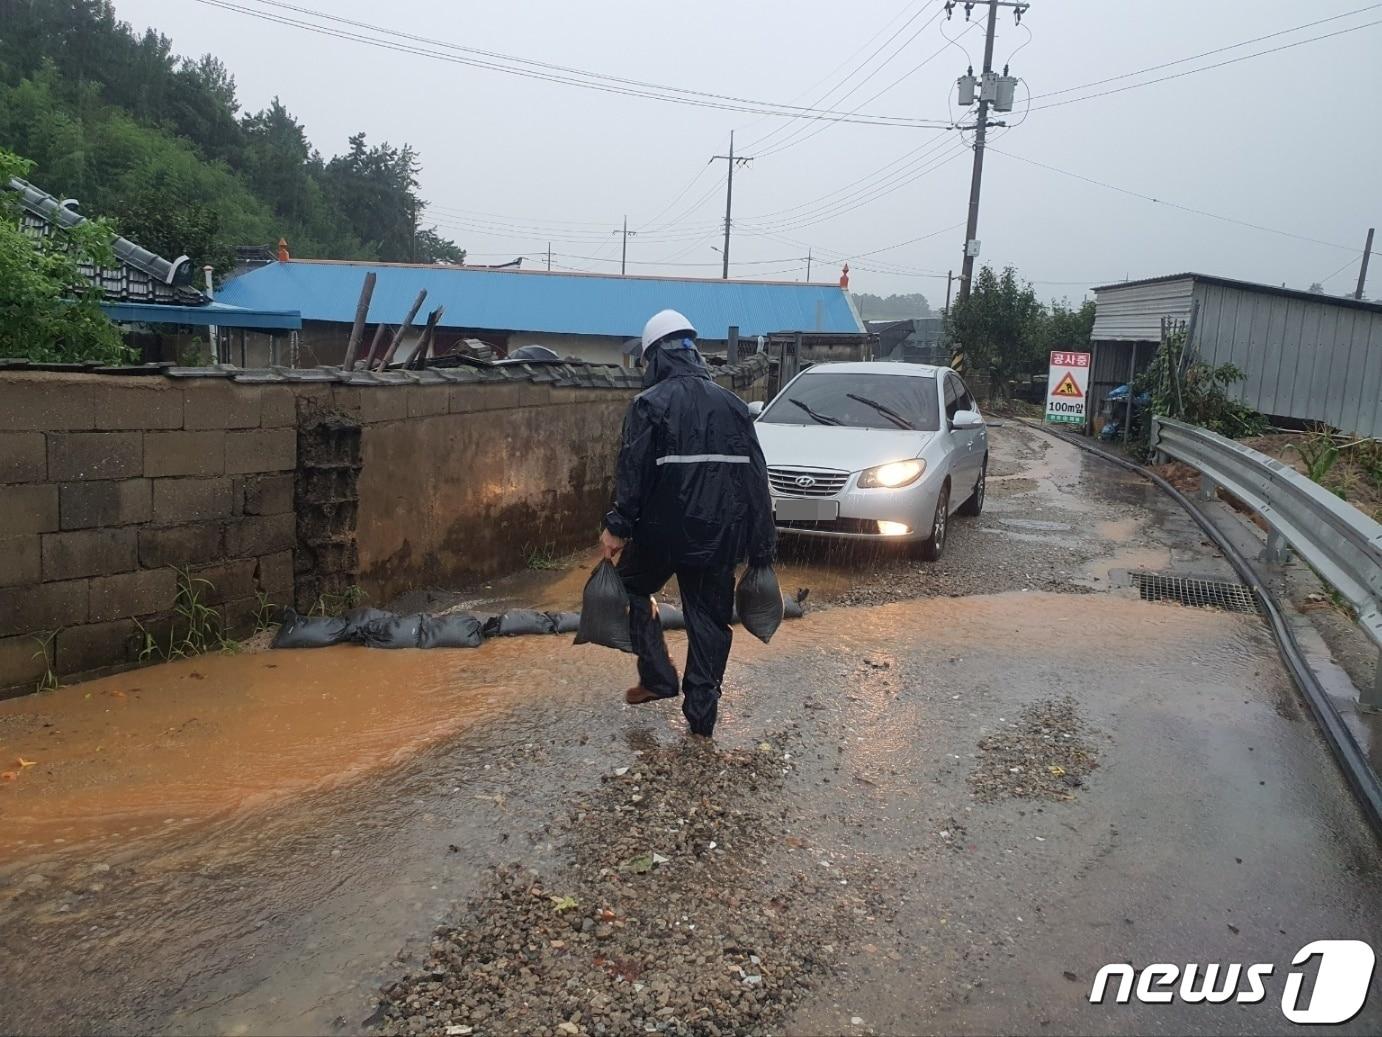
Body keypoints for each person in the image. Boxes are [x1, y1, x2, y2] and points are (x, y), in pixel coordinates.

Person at [599, 309, 776, 737]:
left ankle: (658, 675)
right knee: (710, 622)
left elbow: (633, 474)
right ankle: (701, 721)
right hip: (719, 537)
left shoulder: (648, 405)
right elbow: (756, 480)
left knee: (628, 589)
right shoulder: (734, 406)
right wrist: (762, 548)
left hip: (661, 535)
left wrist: (617, 527)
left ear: (657, 356)